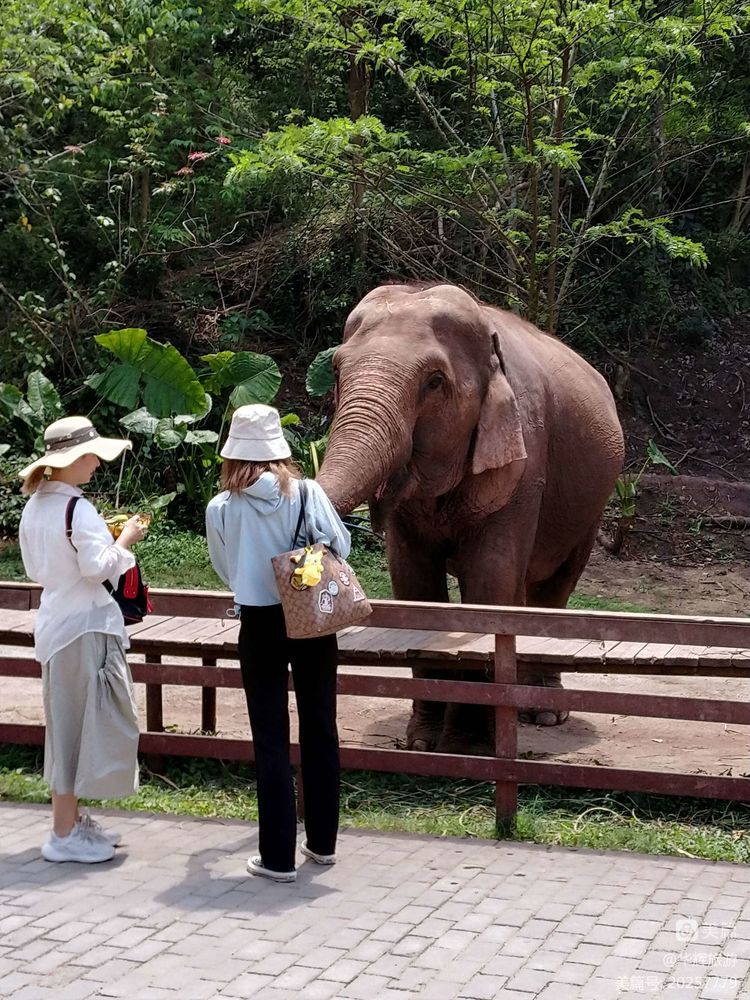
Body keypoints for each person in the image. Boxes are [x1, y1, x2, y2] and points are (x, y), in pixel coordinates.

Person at [206, 404, 351, 883]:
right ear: (278, 451)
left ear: (232, 452)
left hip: (261, 624)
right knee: (320, 726)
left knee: (270, 738)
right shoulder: (307, 492)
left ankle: (277, 858)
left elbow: (225, 569)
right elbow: (341, 548)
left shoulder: (222, 508)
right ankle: (323, 844)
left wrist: (257, 578)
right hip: (312, 617)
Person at [18, 416, 147, 863]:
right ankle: (62, 833)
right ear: (69, 460)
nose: (95, 462)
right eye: (89, 455)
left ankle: (71, 823)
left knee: (70, 725)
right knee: (78, 728)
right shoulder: (77, 509)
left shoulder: (37, 505)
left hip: (58, 622)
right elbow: (96, 570)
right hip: (82, 626)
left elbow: (43, 568)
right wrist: (127, 538)